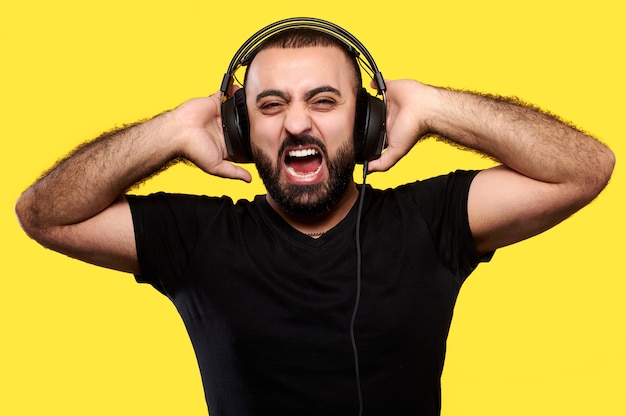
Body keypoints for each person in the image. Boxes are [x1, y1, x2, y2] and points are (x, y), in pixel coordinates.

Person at [15, 18, 614, 416]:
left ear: (365, 122)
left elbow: (585, 168)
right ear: (240, 132)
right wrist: (169, 132)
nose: (297, 124)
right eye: (270, 106)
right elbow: (43, 214)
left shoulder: (433, 221)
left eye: (324, 101)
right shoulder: (198, 239)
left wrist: (434, 107)